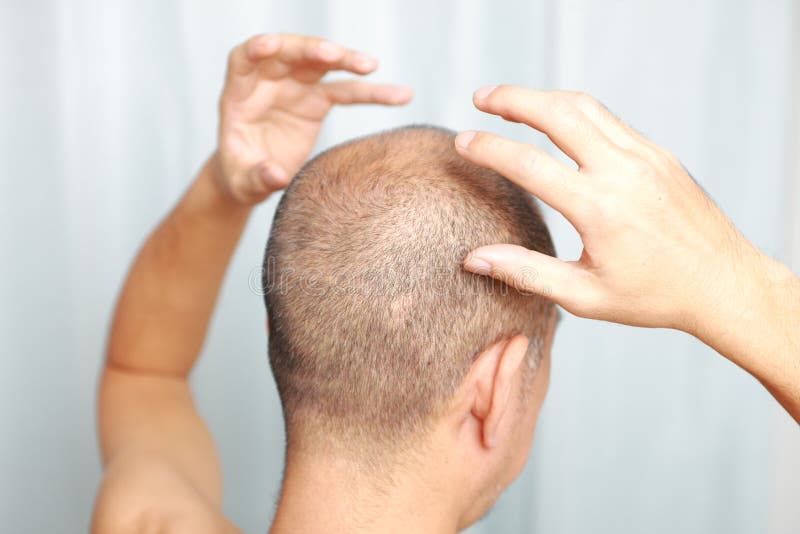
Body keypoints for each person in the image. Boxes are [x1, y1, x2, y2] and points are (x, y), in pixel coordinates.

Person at [92, 32, 800, 533]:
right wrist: (734, 282)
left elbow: (144, 371)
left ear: (290, 333)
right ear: (493, 393)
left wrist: (226, 186)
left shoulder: (146, 522)